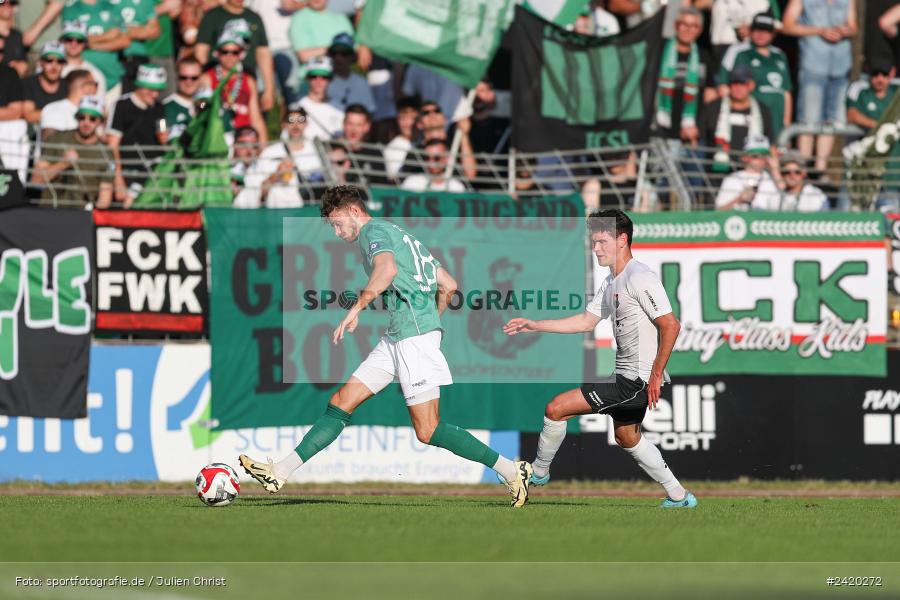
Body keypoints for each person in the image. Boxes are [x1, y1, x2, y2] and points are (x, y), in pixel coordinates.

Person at [238, 185, 534, 508]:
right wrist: (430, 323)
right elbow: (449, 285)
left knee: (428, 429)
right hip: (402, 335)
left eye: (337, 223)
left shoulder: (372, 231)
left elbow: (387, 269)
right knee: (341, 401)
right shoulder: (401, 234)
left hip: (412, 338)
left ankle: (511, 469)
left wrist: (358, 308)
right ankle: (279, 471)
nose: (336, 233)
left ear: (354, 211)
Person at [502, 209, 695, 508]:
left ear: (622, 240)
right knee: (627, 438)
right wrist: (535, 324)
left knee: (556, 409)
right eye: (593, 242)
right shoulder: (611, 282)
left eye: (602, 241)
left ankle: (537, 473)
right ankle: (680, 496)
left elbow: (671, 325)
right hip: (626, 378)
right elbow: (585, 322)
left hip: (635, 381)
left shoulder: (639, 277)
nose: (595, 248)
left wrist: (656, 375)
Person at [783, 0, 856, 174]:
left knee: (832, 121)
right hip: (813, 65)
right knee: (809, 119)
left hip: (841, 66)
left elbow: (854, 26)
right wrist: (819, 31)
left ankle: (819, 170)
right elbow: (787, 25)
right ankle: (802, 169)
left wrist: (844, 30)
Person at [25, 0, 131, 94]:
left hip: (112, 79)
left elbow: (125, 41)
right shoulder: (71, 8)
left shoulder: (111, 6)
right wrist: (107, 35)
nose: (75, 43)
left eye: (80, 41)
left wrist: (91, 44)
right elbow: (72, 37)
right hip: (79, 79)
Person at [718, 13, 792, 141]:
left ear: (773, 34)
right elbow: (723, 86)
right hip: (750, 119)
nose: (761, 35)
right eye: (757, 30)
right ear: (750, 30)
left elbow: (786, 92)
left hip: (777, 120)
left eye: (766, 31)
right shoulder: (738, 51)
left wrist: (786, 123)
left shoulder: (780, 55)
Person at [34, 95, 114, 208]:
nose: (86, 123)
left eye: (92, 119)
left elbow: (104, 199)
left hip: (82, 214)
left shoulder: (106, 153)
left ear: (100, 121)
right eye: (82, 117)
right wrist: (62, 164)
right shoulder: (58, 139)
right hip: (51, 209)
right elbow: (36, 179)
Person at [195, 0, 274, 112]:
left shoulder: (254, 17)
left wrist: (269, 90)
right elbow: (201, 50)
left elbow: (263, 54)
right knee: (208, 112)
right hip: (217, 80)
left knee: (249, 116)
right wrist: (202, 80)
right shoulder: (212, 16)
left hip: (247, 80)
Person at [106, 64, 168, 206]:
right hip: (127, 170)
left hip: (152, 172)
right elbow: (112, 145)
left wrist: (163, 135)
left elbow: (163, 136)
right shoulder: (121, 106)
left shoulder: (160, 107)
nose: (155, 94)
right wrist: (118, 180)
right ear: (140, 86)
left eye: (158, 90)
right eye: (152, 89)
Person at [700, 64, 773, 173]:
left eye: (743, 83)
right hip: (717, 171)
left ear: (751, 85)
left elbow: (770, 143)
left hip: (750, 172)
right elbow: (701, 138)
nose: (738, 87)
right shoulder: (713, 108)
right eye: (734, 83)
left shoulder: (763, 111)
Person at [201, 32, 267, 145]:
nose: (229, 56)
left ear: (241, 54)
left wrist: (263, 147)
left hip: (244, 138)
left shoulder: (249, 80)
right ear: (217, 53)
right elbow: (201, 110)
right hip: (217, 136)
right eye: (224, 52)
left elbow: (256, 118)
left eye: (234, 52)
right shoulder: (207, 78)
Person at [256, 104, 323, 205]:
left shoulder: (318, 151)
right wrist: (277, 175)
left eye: (301, 120)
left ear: (306, 124)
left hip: (310, 213)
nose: (296, 125)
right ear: (283, 124)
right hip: (279, 214)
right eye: (290, 120)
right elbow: (257, 193)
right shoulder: (269, 153)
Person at [288, 0, 353, 81]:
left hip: (342, 77)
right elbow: (304, 56)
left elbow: (352, 50)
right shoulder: (299, 18)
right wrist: (335, 48)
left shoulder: (341, 18)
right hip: (313, 79)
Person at [714, 134, 781, 210]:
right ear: (744, 157)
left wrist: (776, 171)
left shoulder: (773, 178)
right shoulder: (732, 179)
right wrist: (739, 200)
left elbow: (786, 204)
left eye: (765, 155)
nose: (762, 159)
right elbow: (718, 212)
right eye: (756, 156)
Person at [754, 153, 828, 211]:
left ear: (804, 173)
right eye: (787, 172)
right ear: (781, 173)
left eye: (797, 172)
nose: (792, 176)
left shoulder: (816, 195)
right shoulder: (771, 191)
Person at [40, 69, 97, 140]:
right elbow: (50, 143)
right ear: (86, 87)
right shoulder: (55, 110)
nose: (96, 89)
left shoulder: (94, 112)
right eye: (95, 84)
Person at [326, 32, 375, 114]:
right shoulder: (321, 81)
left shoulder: (362, 82)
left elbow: (369, 113)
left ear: (352, 56)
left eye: (344, 53)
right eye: (334, 53)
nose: (339, 58)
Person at [339, 103, 386, 186]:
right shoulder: (332, 149)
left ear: (367, 127)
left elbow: (381, 189)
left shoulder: (375, 154)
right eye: (350, 124)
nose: (354, 130)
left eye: (358, 125)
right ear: (343, 124)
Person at [22, 41, 69, 124]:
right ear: (41, 63)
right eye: (49, 60)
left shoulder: (68, 85)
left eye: (60, 61)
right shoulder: (28, 83)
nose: (54, 66)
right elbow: (29, 115)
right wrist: (61, 114)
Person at [299, 55, 344, 140]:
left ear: (331, 79)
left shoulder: (340, 108)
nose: (318, 81)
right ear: (307, 78)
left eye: (324, 77)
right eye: (314, 76)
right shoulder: (297, 107)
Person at [59, 21, 107, 101]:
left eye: (79, 40)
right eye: (69, 39)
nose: (74, 44)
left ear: (85, 44)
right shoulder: (53, 71)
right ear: (62, 41)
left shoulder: (95, 73)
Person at [0, 34, 26, 182]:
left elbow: (16, 111)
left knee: (18, 126)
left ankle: (14, 184)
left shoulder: (9, 73)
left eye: (1, 51)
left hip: (3, 129)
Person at [847, 58, 898, 132]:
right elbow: (851, 115)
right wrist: (879, 126)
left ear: (892, 73)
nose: (880, 79)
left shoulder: (896, 91)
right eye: (875, 74)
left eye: (884, 74)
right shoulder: (860, 90)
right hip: (866, 139)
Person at [401, 137, 466, 192]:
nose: (430, 162)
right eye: (426, 158)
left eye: (436, 158)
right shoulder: (412, 183)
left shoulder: (456, 187)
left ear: (446, 159)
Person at [162, 57, 204, 141]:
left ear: (201, 78)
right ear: (176, 77)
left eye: (194, 78)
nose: (188, 82)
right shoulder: (163, 108)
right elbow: (162, 140)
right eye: (183, 77)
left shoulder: (207, 106)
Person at [383, 97, 418, 179]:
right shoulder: (392, 149)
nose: (407, 123)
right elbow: (393, 179)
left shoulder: (424, 143)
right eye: (402, 118)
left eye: (411, 118)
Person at [0, 0, 28, 77]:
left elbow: (23, 67)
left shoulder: (17, 36)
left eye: (12, 3)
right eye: (2, 2)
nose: (7, 5)